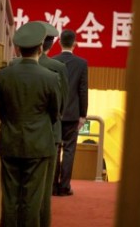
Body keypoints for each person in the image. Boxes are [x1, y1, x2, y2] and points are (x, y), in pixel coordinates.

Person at [0, 21, 61, 227]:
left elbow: (1, 111)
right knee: (33, 198)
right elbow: (55, 112)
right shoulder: (51, 78)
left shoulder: (3, 75)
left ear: (18, 48)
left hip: (9, 140)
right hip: (39, 144)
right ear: (41, 47)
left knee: (10, 197)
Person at [12, 22, 68, 223]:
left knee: (13, 192)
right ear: (48, 45)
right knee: (41, 193)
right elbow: (61, 105)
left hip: (14, 134)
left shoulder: (11, 67)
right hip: (48, 134)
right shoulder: (57, 68)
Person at [52, 28, 89, 196]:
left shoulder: (52, 61)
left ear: (59, 42)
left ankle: (52, 186)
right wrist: (83, 115)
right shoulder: (81, 63)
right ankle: (64, 186)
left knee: (55, 149)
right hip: (73, 113)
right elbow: (83, 90)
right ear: (75, 44)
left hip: (55, 113)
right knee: (69, 150)